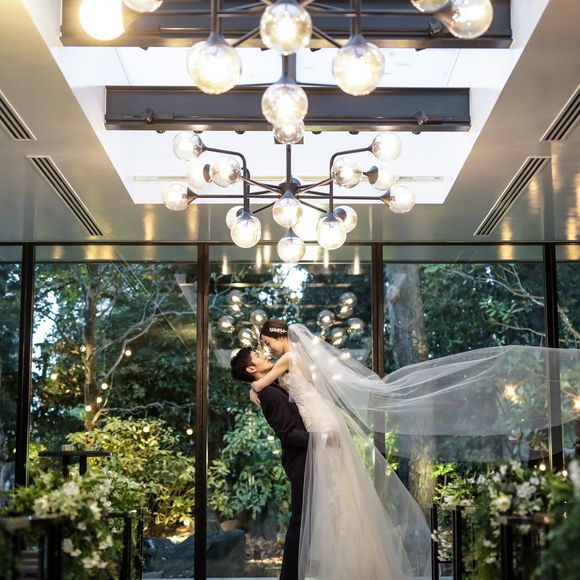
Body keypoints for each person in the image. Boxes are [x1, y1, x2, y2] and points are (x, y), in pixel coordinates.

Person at [251, 319, 431, 580]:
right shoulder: (298, 358)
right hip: (321, 415)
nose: (269, 349)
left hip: (318, 420)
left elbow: (259, 384)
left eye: (268, 343)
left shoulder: (288, 358)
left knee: (334, 491)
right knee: (338, 488)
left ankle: (346, 563)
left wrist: (253, 388)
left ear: (279, 336)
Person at [230, 347, 308, 580]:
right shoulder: (270, 394)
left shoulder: (270, 385)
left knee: (304, 523)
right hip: (301, 463)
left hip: (306, 459)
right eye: (257, 355)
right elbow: (288, 434)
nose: (264, 354)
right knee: (300, 524)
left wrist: (255, 385)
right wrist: (322, 438)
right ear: (251, 368)